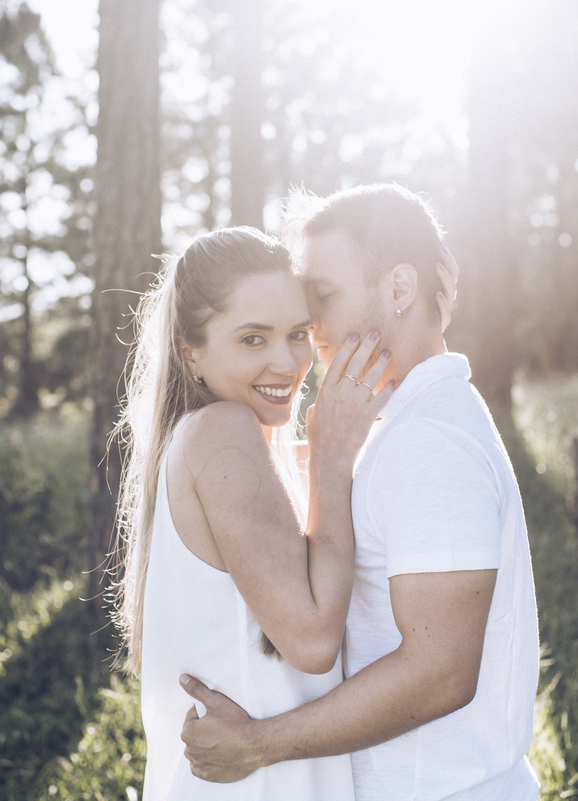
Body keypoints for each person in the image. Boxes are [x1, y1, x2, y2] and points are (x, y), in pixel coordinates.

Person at [179, 184, 542, 800]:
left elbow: (441, 671)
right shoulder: (404, 422)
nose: (310, 324)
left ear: (399, 288)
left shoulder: (428, 440)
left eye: (322, 297)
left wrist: (261, 743)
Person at [113, 226, 400, 800]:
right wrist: (332, 459)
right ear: (190, 351)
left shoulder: (212, 443)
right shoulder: (222, 432)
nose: (287, 362)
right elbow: (312, 644)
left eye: (298, 334)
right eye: (252, 339)